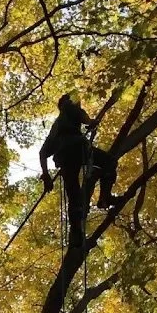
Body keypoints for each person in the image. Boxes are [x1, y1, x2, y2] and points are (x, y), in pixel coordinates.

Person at [39, 93, 120, 246]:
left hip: (64, 158)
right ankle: (105, 196)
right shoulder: (69, 108)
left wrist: (46, 175)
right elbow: (82, 116)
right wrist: (90, 122)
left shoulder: (56, 128)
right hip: (77, 148)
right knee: (109, 162)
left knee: (74, 197)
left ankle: (76, 233)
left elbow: (43, 153)